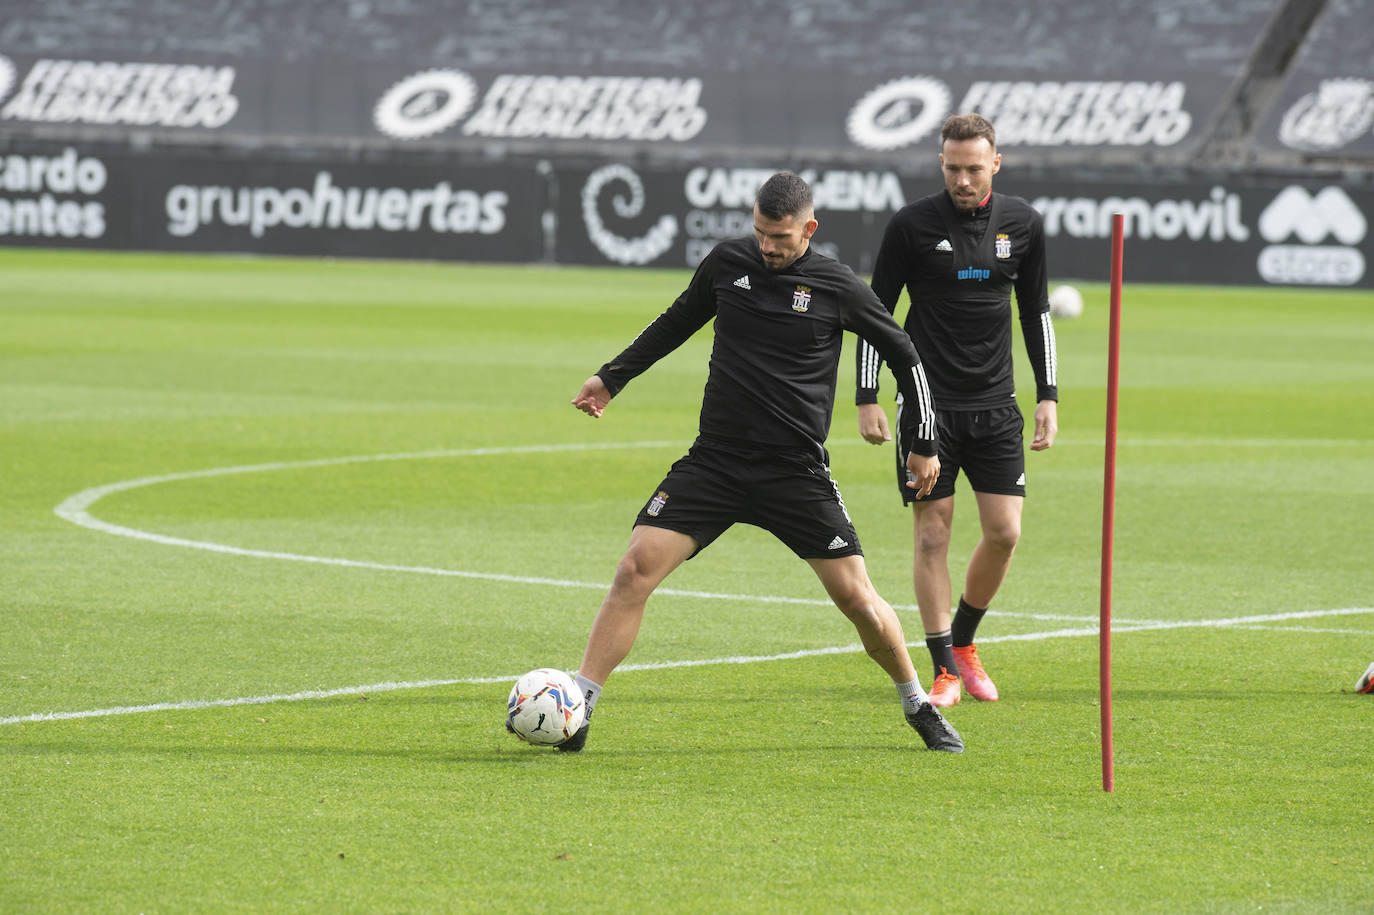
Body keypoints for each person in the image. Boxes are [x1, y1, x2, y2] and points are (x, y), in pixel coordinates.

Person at [561, 171, 962, 753]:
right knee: (633, 570)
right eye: (760, 233)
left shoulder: (838, 286)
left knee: (857, 599)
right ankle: (577, 708)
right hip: (715, 463)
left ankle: (917, 703)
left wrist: (924, 439)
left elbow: (906, 355)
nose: (768, 246)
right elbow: (675, 322)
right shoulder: (728, 264)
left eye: (781, 236)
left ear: (810, 228)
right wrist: (610, 378)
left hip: (794, 473)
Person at [854, 113, 1059, 707]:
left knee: (1005, 532)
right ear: (940, 164)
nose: (962, 180)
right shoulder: (911, 224)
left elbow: (1036, 312)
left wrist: (1048, 395)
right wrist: (868, 395)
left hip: (997, 406)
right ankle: (944, 667)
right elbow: (874, 312)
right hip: (927, 407)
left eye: (973, 169)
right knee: (932, 535)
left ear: (995, 163)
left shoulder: (1023, 224)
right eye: (952, 169)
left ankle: (964, 641)